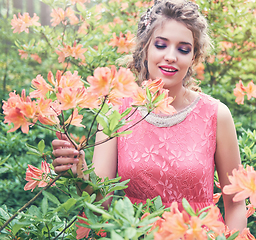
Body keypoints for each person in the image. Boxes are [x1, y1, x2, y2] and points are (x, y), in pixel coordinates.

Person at [52, 0, 246, 231]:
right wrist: (79, 174)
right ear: (145, 49)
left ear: (194, 57)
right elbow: (101, 200)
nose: (171, 56)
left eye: (183, 49)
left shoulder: (216, 115)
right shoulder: (117, 110)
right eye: (161, 45)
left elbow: (235, 203)